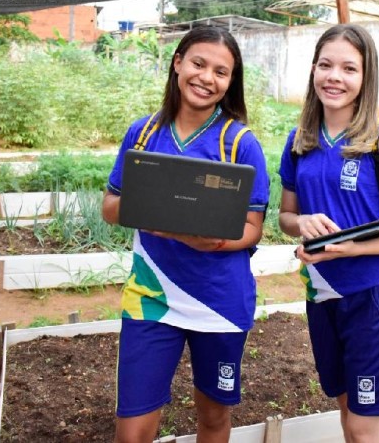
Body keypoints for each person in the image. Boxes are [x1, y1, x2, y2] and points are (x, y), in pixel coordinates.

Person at [102, 26, 270, 443]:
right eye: (198, 63)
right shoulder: (143, 134)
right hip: (151, 297)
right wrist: (157, 215)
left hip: (219, 302)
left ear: (231, 82)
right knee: (132, 431)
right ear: (177, 63)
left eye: (221, 72)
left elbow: (252, 229)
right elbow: (110, 206)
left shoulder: (239, 144)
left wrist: (207, 240)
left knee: (212, 420)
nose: (206, 78)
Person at [277, 23, 379, 443]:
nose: (335, 77)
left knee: (366, 427)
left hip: (373, 296)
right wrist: (302, 223)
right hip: (322, 293)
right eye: (325, 65)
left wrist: (350, 249)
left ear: (365, 78)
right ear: (313, 71)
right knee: (347, 410)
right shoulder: (300, 141)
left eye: (349, 68)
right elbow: (285, 217)